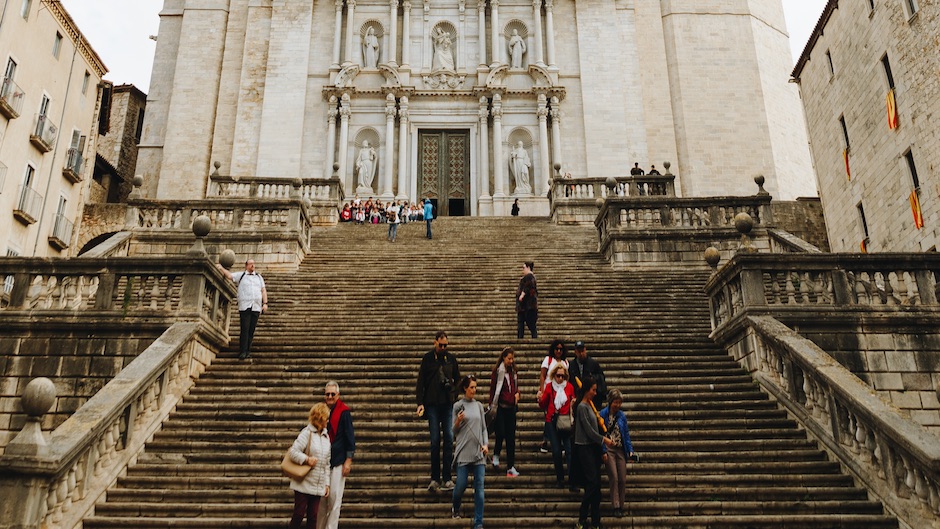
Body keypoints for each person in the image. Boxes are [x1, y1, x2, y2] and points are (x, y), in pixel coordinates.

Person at [416, 331, 460, 492]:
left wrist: (454, 394)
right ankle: (435, 478)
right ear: (434, 343)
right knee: (435, 441)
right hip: (432, 404)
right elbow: (420, 381)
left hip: (447, 404)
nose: (443, 348)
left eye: (445, 345)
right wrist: (420, 403)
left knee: (449, 438)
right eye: (440, 345)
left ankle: (447, 477)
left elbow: (459, 379)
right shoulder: (428, 359)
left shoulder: (451, 359)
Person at [573, 376, 615, 529]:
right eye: (593, 390)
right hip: (584, 448)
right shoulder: (582, 407)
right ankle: (582, 517)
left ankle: (596, 520)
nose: (595, 393)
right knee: (592, 482)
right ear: (586, 390)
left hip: (592, 448)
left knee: (596, 487)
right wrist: (604, 440)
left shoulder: (590, 406)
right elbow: (589, 431)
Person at [287, 403, 332, 529]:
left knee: (313, 518)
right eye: (326, 418)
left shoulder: (326, 437)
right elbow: (293, 452)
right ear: (320, 418)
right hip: (303, 482)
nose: (328, 421)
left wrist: (326, 484)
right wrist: (307, 459)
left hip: (317, 485)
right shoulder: (307, 433)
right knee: (298, 515)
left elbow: (327, 463)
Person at [316, 382, 355, 529]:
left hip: (338, 461)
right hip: (323, 462)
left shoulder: (344, 412)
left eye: (333, 394)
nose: (330, 397)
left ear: (338, 395)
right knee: (321, 500)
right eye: (327, 394)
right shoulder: (322, 411)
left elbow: (350, 437)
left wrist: (348, 461)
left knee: (334, 498)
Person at [452, 375, 488, 529]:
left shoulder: (479, 406)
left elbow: (484, 428)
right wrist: (458, 420)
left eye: (475, 387)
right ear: (465, 388)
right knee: (461, 484)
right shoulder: (457, 406)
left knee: (479, 487)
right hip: (463, 451)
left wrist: (486, 444)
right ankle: (456, 507)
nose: (474, 390)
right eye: (472, 387)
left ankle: (478, 522)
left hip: (479, 453)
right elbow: (453, 431)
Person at [217, 259, 268, 359]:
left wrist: (265, 303)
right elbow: (230, 276)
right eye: (251, 264)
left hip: (256, 306)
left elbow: (263, 290)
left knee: (251, 330)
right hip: (245, 306)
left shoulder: (259, 277)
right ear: (246, 265)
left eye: (254, 263)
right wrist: (222, 268)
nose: (253, 265)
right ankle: (243, 351)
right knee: (245, 328)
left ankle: (248, 350)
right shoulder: (241, 275)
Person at [599, 389, 635, 519]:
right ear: (610, 402)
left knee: (622, 479)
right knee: (614, 476)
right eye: (615, 402)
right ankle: (616, 506)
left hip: (620, 449)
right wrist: (603, 450)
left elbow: (626, 435)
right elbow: (600, 434)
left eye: (619, 402)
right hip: (609, 448)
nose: (618, 405)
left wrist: (630, 450)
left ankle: (621, 504)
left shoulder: (622, 416)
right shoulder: (602, 414)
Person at [538, 363, 575, 488]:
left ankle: (571, 479)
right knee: (556, 451)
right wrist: (540, 398)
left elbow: (572, 402)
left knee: (569, 451)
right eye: (558, 376)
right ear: (554, 375)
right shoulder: (549, 387)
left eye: (562, 376)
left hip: (565, 421)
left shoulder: (569, 387)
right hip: (552, 421)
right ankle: (560, 479)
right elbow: (543, 404)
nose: (560, 379)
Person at [488, 347, 520, 477]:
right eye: (509, 358)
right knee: (500, 432)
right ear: (503, 358)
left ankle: (510, 466)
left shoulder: (513, 372)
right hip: (500, 406)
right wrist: (491, 404)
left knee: (511, 438)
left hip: (511, 407)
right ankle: (496, 455)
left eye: (512, 358)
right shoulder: (497, 371)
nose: (511, 361)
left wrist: (517, 395)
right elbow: (493, 389)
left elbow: (516, 387)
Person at [536, 340, 568, 453]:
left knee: (560, 416)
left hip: (561, 393)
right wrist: (542, 390)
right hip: (549, 391)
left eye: (561, 349)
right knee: (549, 416)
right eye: (556, 349)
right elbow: (542, 375)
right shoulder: (548, 360)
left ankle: (559, 441)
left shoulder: (565, 362)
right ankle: (545, 440)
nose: (558, 351)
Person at [568, 341, 607, 411]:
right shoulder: (571, 365)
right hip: (577, 398)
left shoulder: (593, 363)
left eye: (582, 351)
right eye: (578, 351)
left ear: (585, 350)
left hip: (592, 399)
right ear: (575, 352)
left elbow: (601, 378)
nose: (581, 353)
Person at [516, 261, 538, 339]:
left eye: (524, 267)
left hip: (527, 305)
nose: (523, 270)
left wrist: (522, 294)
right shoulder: (528, 277)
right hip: (524, 306)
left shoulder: (529, 276)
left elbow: (529, 286)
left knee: (529, 323)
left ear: (528, 268)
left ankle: (524, 338)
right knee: (522, 323)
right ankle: (520, 337)